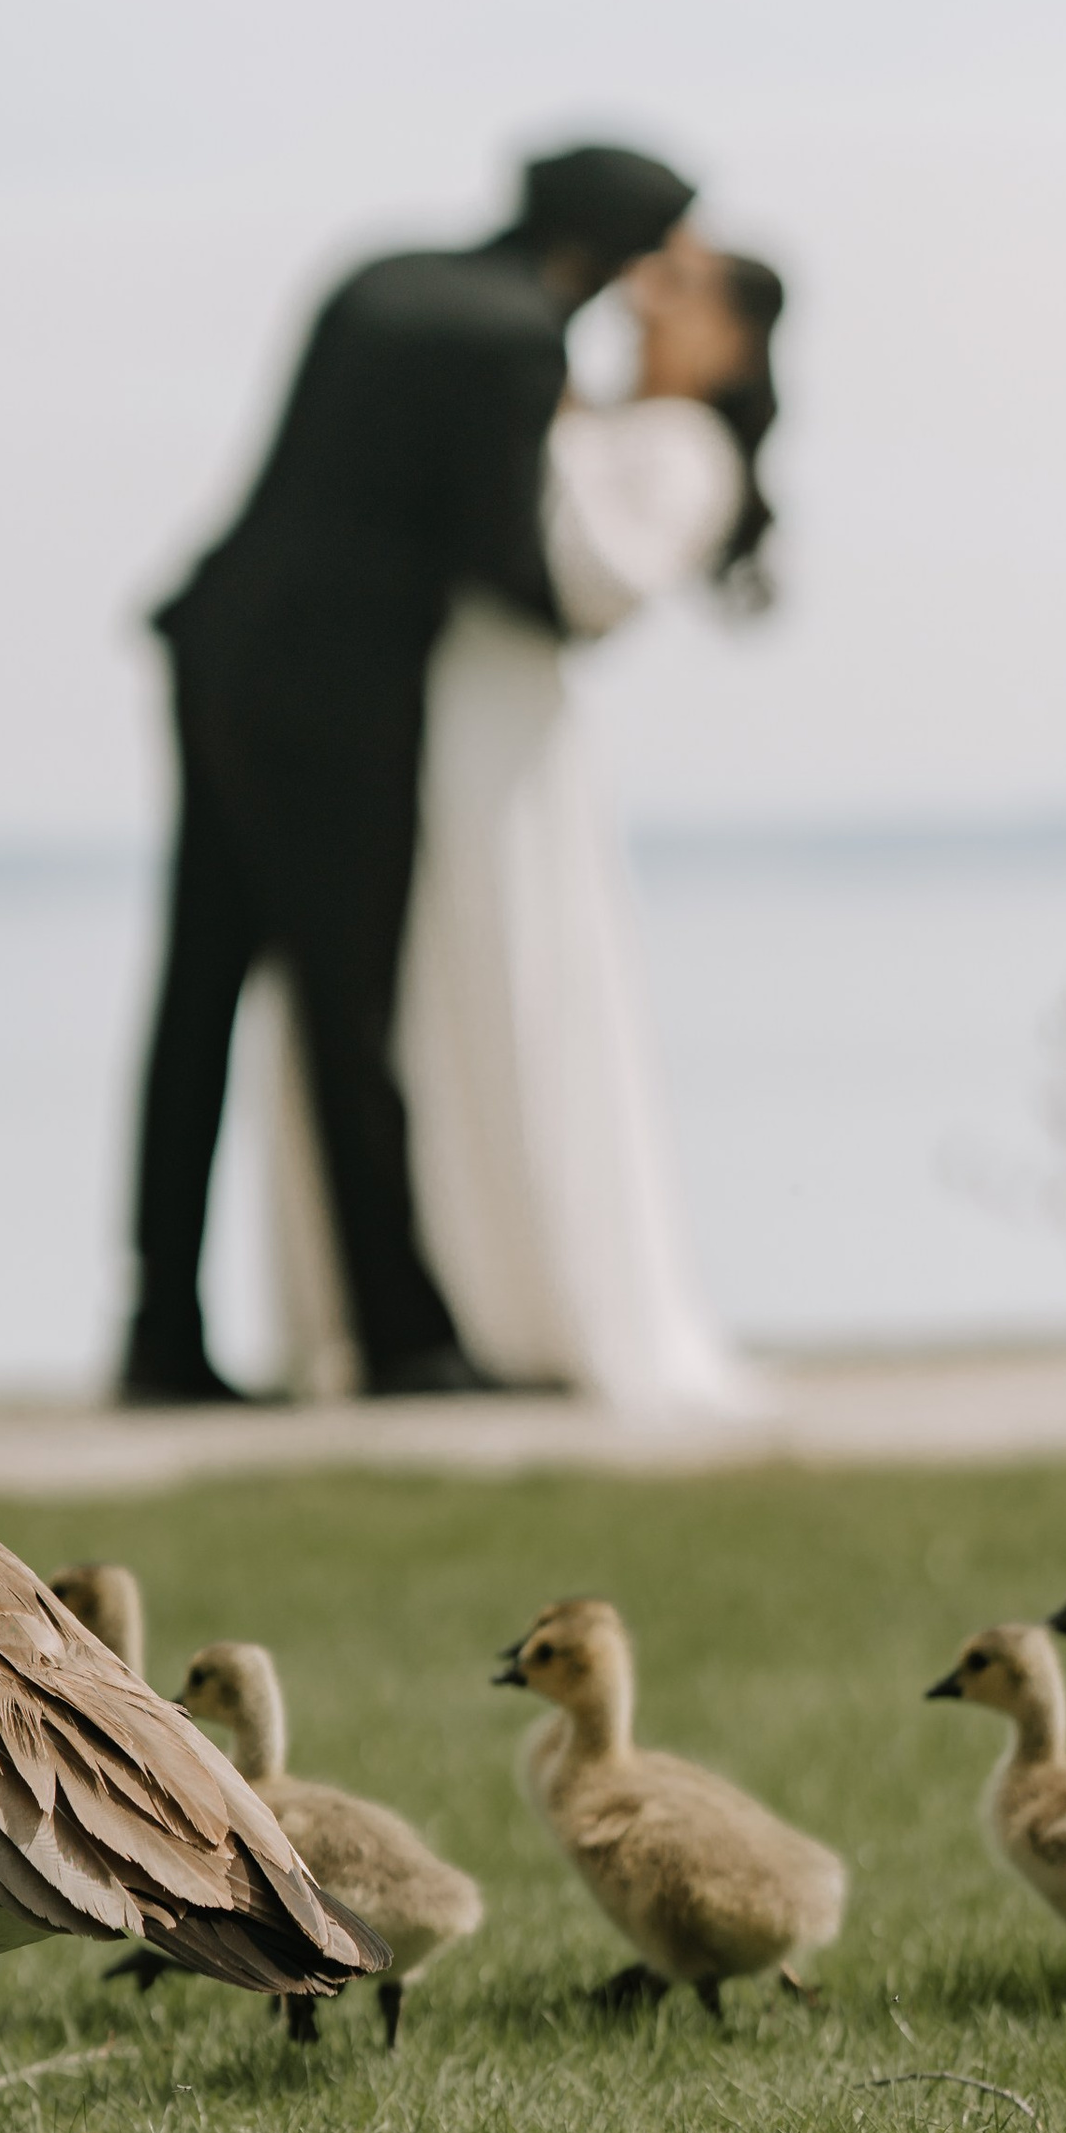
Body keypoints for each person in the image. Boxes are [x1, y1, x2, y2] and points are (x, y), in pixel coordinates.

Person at [119, 144, 698, 1405]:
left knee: (199, 994)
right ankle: (400, 1336)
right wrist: (601, 598)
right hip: (337, 690)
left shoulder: (379, 274)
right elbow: (502, 559)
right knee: (348, 1003)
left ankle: (159, 1327)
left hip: (219, 637)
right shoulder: (512, 342)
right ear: (606, 252)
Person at [252, 232, 786, 1415]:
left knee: (512, 984)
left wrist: (527, 432)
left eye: (683, 287)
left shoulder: (687, 451)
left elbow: (587, 580)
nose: (646, 297)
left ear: (732, 339)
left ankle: (526, 1293)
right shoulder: (585, 413)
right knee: (436, 995)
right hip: (446, 712)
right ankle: (427, 1291)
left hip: (507, 742)